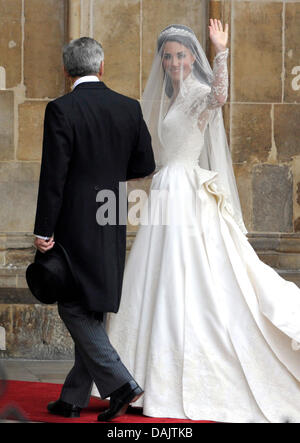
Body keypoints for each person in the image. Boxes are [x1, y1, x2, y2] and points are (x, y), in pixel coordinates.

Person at [92, 21, 300, 423]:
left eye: (181, 55)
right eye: (168, 56)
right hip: (166, 188)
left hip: (186, 191)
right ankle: (141, 377)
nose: (173, 62)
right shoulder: (172, 98)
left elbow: (219, 97)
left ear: (193, 58)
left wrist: (221, 51)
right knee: (155, 276)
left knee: (185, 274)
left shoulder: (200, 93)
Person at [33, 36, 155, 421]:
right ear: (101, 67)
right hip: (113, 212)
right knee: (94, 303)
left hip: (74, 220)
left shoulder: (61, 109)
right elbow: (144, 165)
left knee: (73, 305)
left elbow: (54, 175)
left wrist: (43, 229)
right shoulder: (129, 107)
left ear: (66, 70)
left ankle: (121, 385)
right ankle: (73, 398)